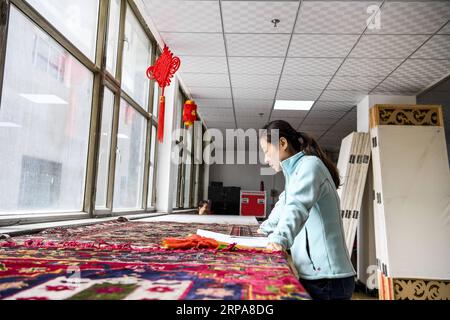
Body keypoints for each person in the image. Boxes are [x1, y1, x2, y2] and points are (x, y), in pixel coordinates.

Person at [258, 120, 355, 300]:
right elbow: (284, 205)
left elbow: (297, 206)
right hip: (316, 276)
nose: (265, 159)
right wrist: (262, 230)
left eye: (266, 151)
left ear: (282, 143)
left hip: (329, 279)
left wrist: (279, 240)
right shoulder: (295, 173)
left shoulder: (310, 166)